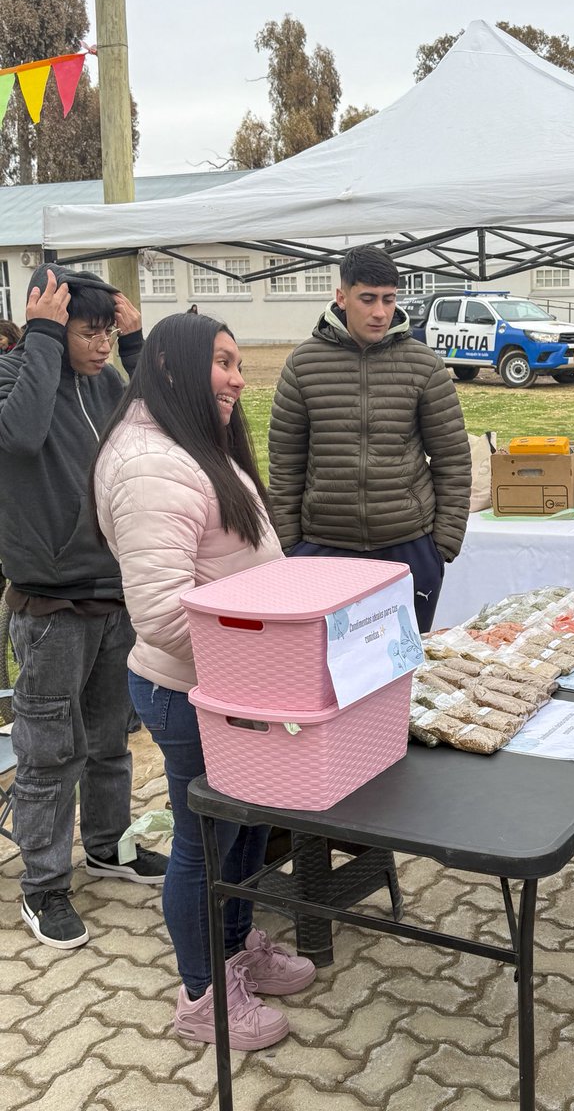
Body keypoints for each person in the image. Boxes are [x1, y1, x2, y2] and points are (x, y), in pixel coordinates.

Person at [93, 313, 316, 1050]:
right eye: (222, 362)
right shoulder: (151, 465)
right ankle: (202, 997)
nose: (237, 379)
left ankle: (236, 948)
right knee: (205, 839)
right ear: (171, 367)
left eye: (237, 363)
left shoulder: (186, 445)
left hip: (237, 687)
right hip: (194, 693)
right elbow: (158, 613)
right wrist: (273, 653)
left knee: (247, 826)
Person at [0, 263, 168, 952]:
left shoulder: (105, 381)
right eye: (89, 332)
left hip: (114, 595)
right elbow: (20, 438)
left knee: (110, 744)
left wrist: (133, 351)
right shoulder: (16, 376)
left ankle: (107, 847)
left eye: (107, 332)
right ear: (53, 322)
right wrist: (39, 336)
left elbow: (155, 433)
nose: (100, 345)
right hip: (51, 605)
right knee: (49, 752)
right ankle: (43, 885)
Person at [268, 245, 471, 632]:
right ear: (341, 297)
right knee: (327, 673)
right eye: (368, 299)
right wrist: (291, 544)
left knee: (403, 667)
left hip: (409, 545)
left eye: (389, 299)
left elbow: (453, 458)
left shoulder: (423, 364)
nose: (380, 312)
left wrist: (442, 544)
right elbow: (285, 462)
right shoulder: (303, 365)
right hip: (323, 548)